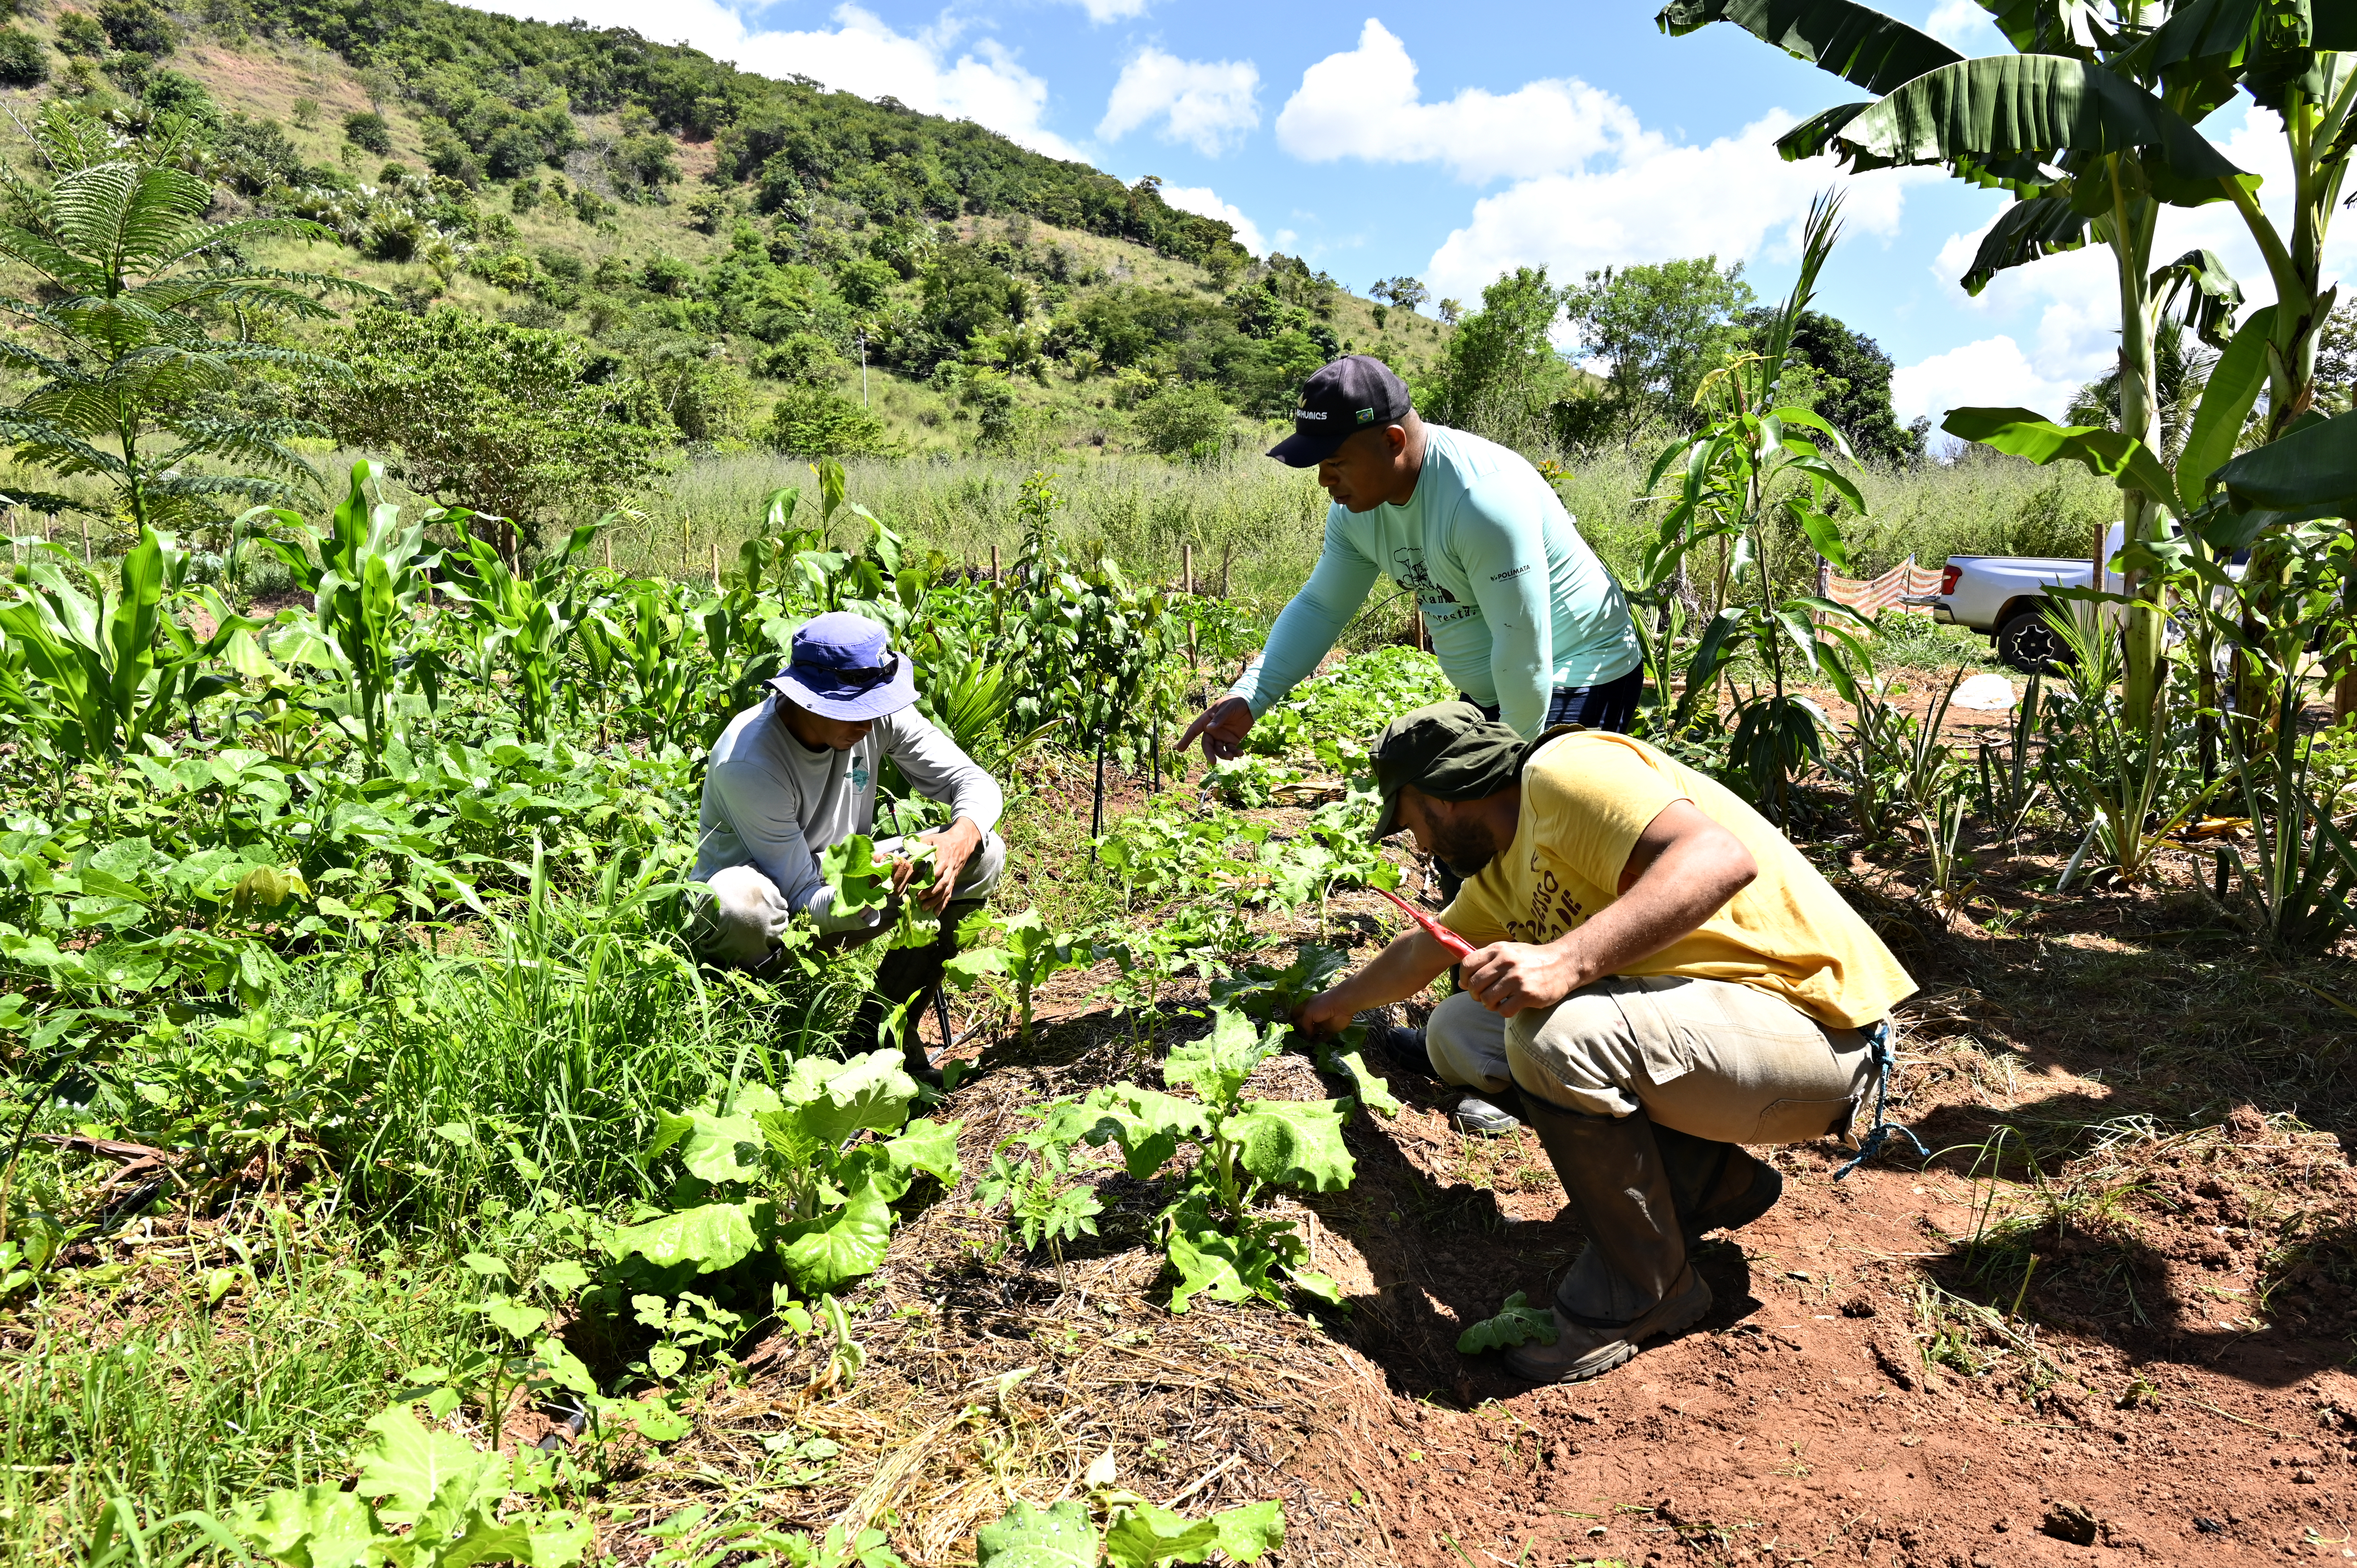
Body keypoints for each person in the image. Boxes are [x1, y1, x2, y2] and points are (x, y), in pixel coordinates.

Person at [1293, 703, 1917, 1384]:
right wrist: (1332, 1005)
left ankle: (1646, 1284)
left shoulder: (1566, 771)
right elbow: (1424, 950)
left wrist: (1564, 960)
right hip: (1727, 1037)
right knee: (1459, 1031)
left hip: (1816, 1032)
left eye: (1410, 820)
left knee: (1553, 1033)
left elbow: (1717, 858)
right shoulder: (1502, 873)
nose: (1417, 845)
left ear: (1442, 797)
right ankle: (1707, 1179)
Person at [1178, 355, 1642, 755]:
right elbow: (1322, 606)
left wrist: (1507, 775)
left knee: (1531, 820)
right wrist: (1252, 695)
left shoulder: (1481, 499)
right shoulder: (1357, 511)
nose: (1324, 480)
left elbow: (1524, 655)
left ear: (1393, 442)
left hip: (1578, 672)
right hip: (1499, 686)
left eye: (1335, 463)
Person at [691, 611, 1006, 1084]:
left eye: (877, 703)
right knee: (740, 905)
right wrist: (870, 889)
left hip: (840, 880)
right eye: (855, 707)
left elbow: (974, 781)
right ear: (806, 696)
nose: (871, 718)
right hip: (773, 911)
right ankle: (748, 1047)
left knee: (984, 851)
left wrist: (959, 838)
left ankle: (883, 1036)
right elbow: (803, 900)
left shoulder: (876, 715)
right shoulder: (750, 759)